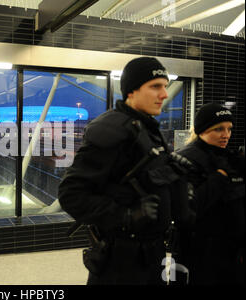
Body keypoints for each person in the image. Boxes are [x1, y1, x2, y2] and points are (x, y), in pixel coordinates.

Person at [58, 57, 193, 285]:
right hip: (121, 265)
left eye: (165, 86)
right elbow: (71, 194)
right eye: (155, 86)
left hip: (150, 256)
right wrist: (125, 216)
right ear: (132, 90)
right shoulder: (112, 129)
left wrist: (175, 174)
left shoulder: (146, 128)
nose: (164, 94)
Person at [176, 103, 245, 285]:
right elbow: (188, 207)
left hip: (231, 254)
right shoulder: (184, 159)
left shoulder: (230, 158)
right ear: (202, 130)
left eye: (229, 129)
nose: (226, 135)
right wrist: (219, 178)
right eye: (219, 129)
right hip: (200, 255)